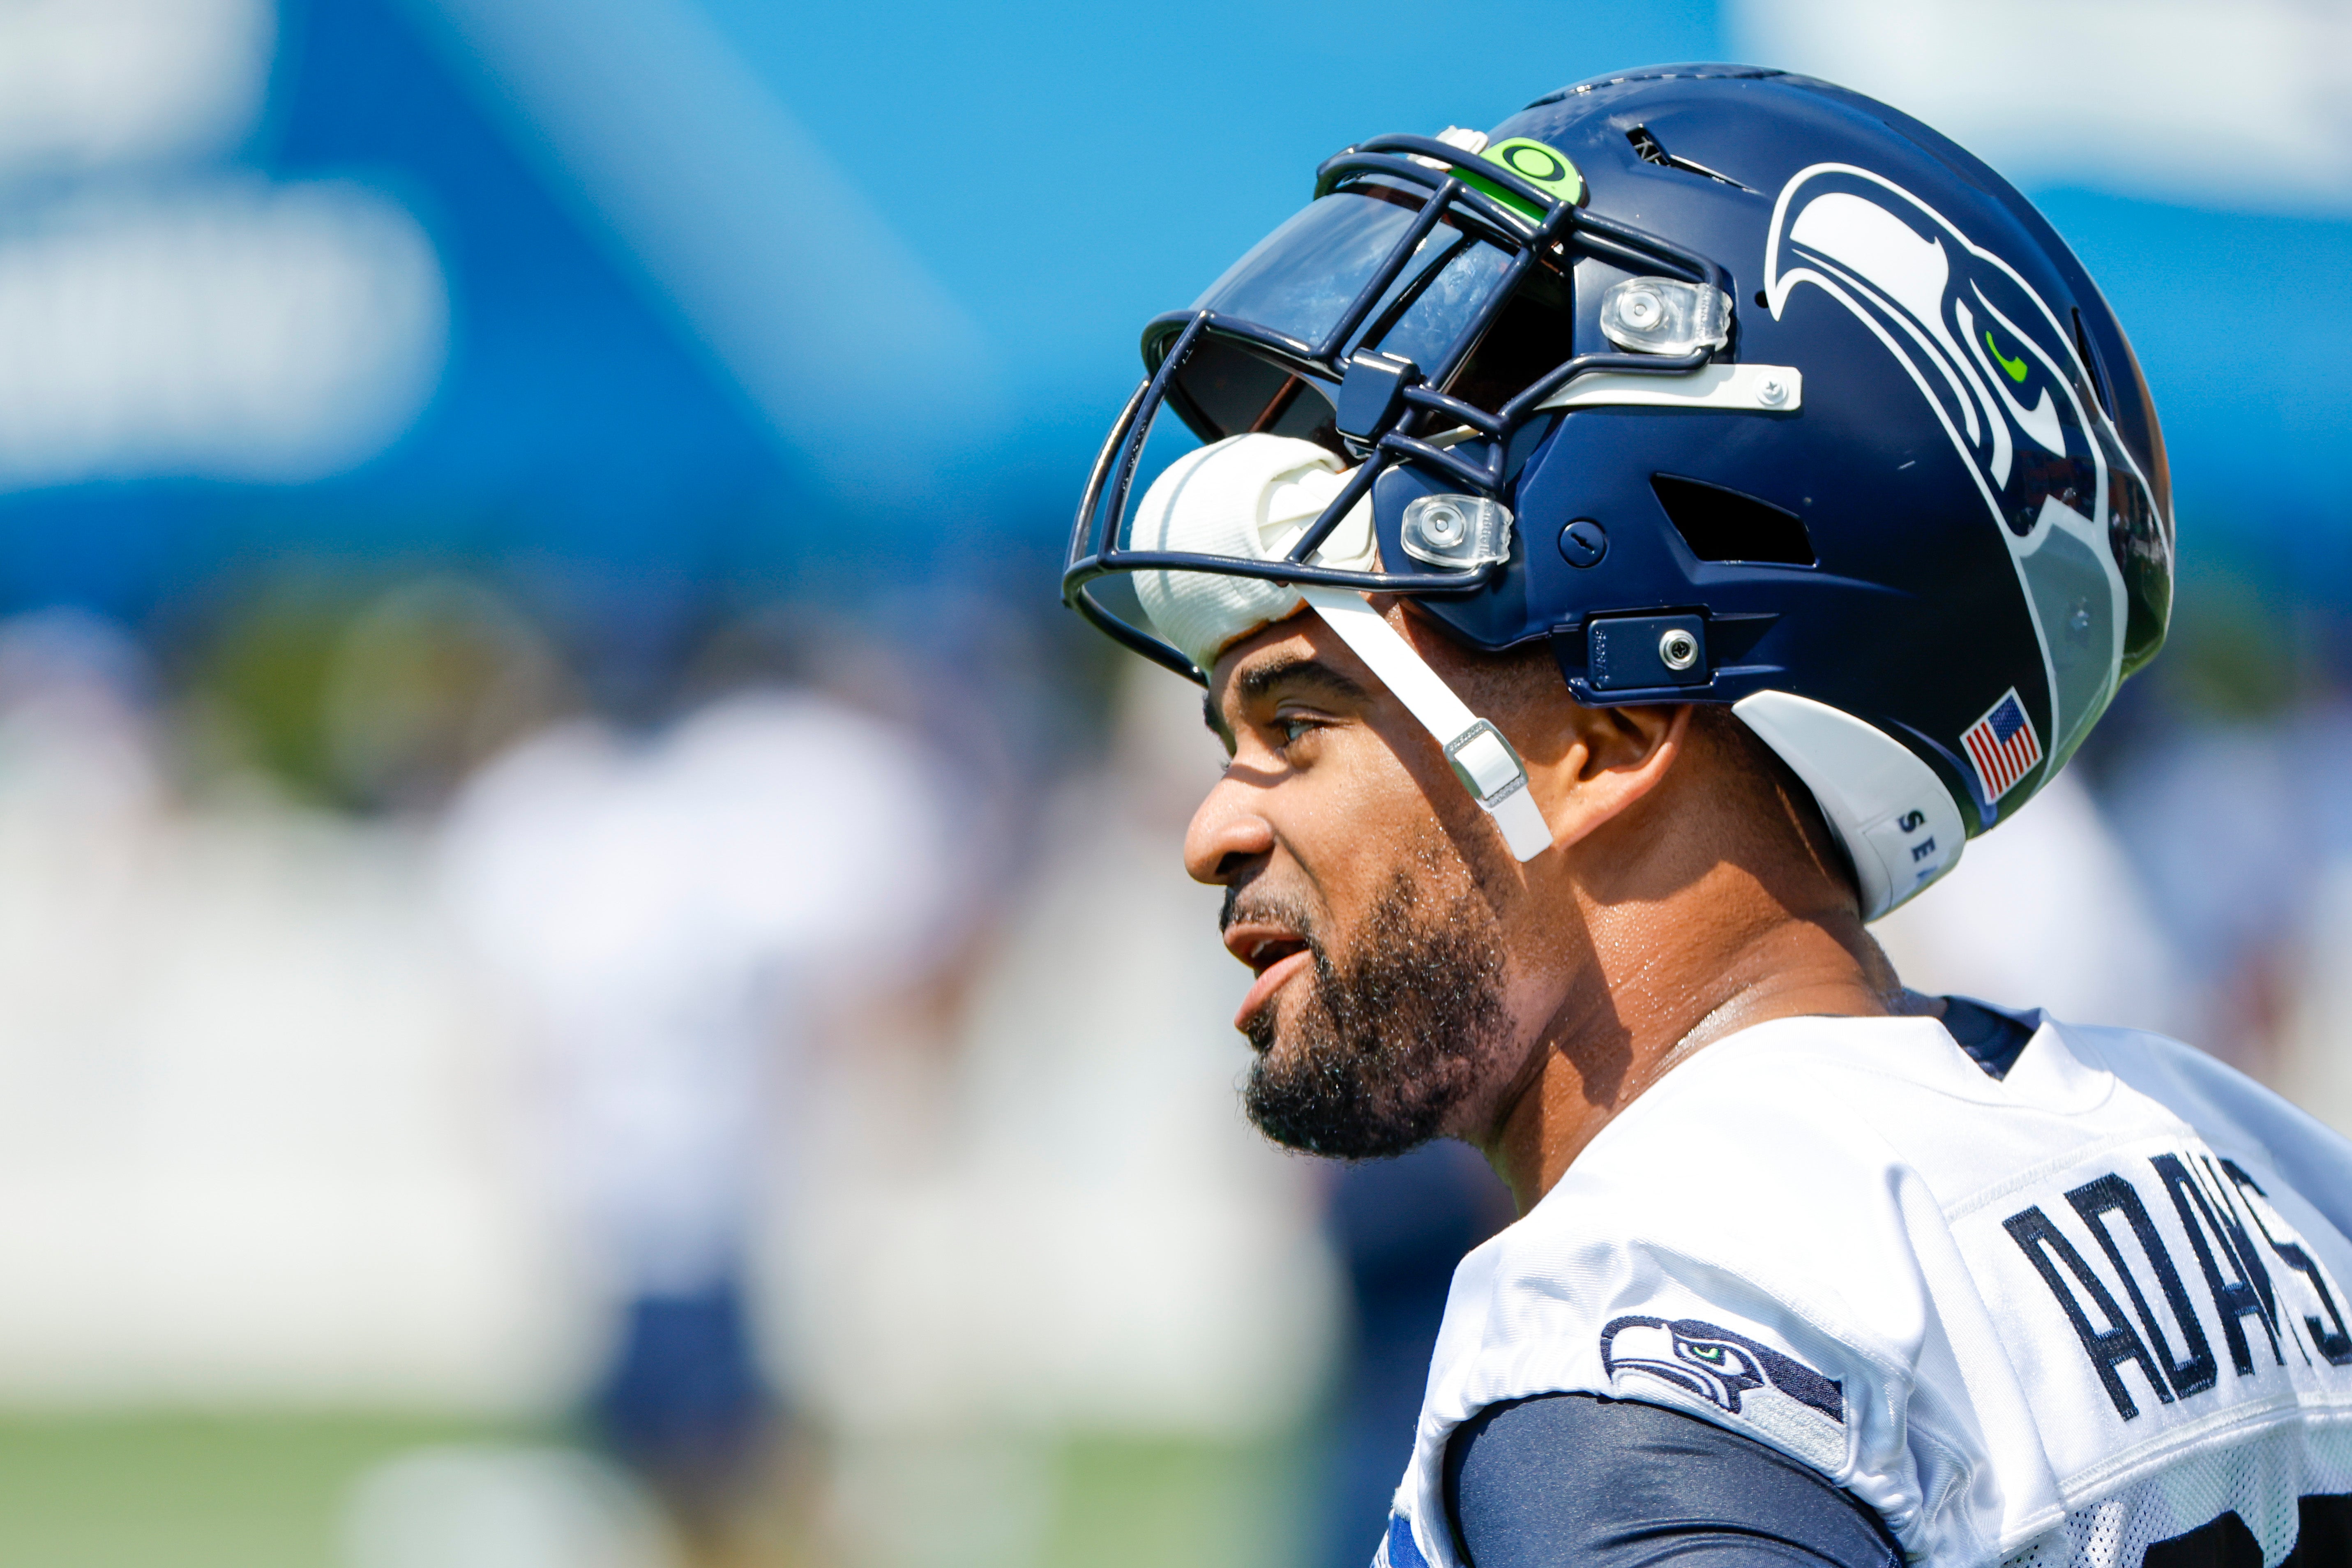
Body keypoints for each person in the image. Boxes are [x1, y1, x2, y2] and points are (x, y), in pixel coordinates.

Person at [1059, 64, 2352, 1568]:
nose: (1213, 827)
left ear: (1609, 739)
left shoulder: (1658, 1318)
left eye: (1300, 721)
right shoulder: (2268, 1180)